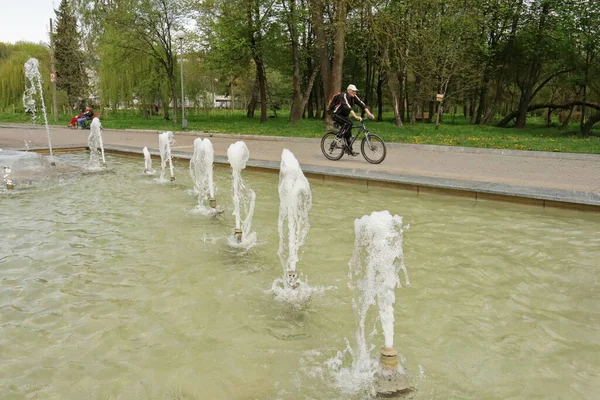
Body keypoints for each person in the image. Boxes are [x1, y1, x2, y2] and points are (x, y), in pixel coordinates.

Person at [331, 84, 375, 156]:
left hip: (344, 115)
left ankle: (349, 150)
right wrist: (355, 116)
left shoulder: (354, 97)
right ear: (349, 90)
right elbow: (347, 106)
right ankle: (337, 138)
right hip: (336, 114)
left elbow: (361, 104)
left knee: (348, 131)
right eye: (353, 91)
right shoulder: (343, 95)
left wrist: (369, 114)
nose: (355, 92)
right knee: (350, 123)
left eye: (355, 91)